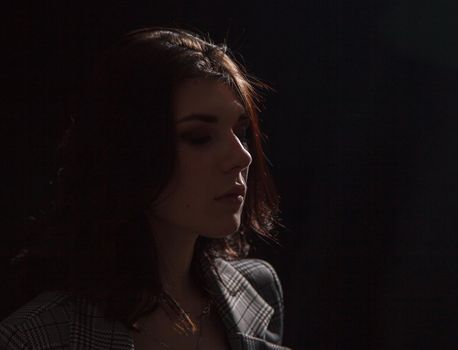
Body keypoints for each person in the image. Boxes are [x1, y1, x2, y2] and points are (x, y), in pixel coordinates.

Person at [0, 27, 289, 350]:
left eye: (241, 132)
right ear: (129, 152)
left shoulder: (256, 291)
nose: (242, 156)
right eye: (199, 137)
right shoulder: (38, 337)